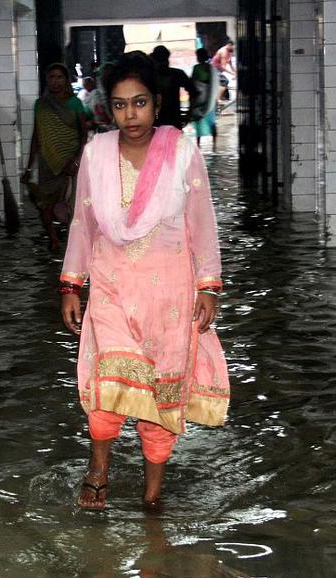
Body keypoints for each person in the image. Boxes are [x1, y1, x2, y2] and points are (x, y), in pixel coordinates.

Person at [58, 51, 230, 511]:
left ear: (156, 103)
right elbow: (83, 224)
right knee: (108, 380)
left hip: (168, 294)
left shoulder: (181, 152)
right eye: (120, 105)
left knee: (160, 389)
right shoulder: (96, 153)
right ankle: (99, 470)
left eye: (139, 103)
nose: (130, 115)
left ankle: (152, 496)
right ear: (108, 109)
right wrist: (72, 285)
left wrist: (208, 287)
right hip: (111, 286)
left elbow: (201, 223)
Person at [24, 63, 88, 251]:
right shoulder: (41, 105)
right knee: (44, 204)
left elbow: (84, 134)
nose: (56, 81)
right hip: (47, 163)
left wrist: (77, 159)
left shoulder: (75, 103)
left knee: (72, 205)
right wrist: (29, 167)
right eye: (52, 77)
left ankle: (73, 243)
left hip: (70, 163)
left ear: (66, 80)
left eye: (60, 77)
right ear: (47, 80)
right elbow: (37, 136)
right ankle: (53, 240)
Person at [150, 45, 197, 130]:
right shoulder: (177, 74)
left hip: (155, 121)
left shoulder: (149, 77)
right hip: (174, 119)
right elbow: (193, 92)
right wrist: (189, 114)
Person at [190, 48, 219, 148]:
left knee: (201, 120)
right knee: (211, 121)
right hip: (209, 99)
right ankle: (214, 145)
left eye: (198, 56)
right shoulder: (211, 68)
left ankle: (199, 145)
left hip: (201, 98)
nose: (198, 58)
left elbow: (192, 82)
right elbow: (214, 85)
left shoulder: (198, 68)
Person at [211, 39, 236, 104]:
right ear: (230, 45)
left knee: (224, 83)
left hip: (218, 70)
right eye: (233, 47)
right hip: (214, 69)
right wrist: (232, 73)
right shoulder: (223, 52)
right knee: (224, 81)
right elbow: (223, 67)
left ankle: (222, 98)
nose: (234, 48)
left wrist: (235, 71)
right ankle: (217, 100)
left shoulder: (230, 51)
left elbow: (230, 63)